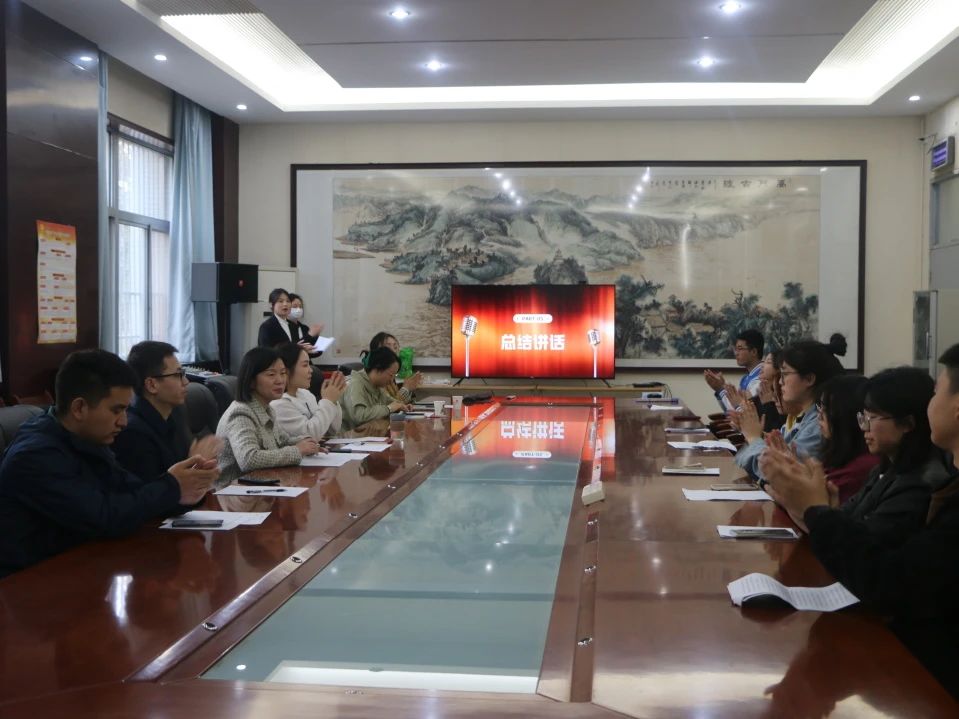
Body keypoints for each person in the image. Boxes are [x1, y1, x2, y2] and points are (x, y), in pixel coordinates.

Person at [758, 345, 959, 699]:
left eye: (938, 392)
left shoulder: (926, 482)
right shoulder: (888, 470)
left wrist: (814, 509)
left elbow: (889, 580)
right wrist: (814, 508)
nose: (931, 405)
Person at [0, 350, 216, 578]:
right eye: (117, 410)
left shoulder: (87, 438)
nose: (124, 422)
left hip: (81, 569)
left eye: (126, 409)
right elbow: (104, 516)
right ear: (79, 408)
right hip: (26, 584)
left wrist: (186, 489)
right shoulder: (34, 456)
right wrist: (172, 486)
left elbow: (132, 492)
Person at [734, 335, 846, 482]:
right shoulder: (802, 418)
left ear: (809, 379)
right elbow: (742, 461)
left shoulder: (818, 426)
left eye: (785, 374)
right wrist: (755, 437)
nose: (780, 382)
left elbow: (779, 475)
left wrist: (753, 438)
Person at [113, 341, 222, 485]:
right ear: (152, 385)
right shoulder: (133, 433)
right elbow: (152, 493)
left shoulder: (173, 416)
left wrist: (203, 469)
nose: (186, 381)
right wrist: (195, 464)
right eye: (178, 375)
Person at [216, 347, 321, 484]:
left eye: (283, 373)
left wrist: (308, 444)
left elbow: (283, 441)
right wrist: (297, 451)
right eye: (271, 374)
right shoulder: (240, 413)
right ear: (251, 380)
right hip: (234, 492)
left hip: (261, 485)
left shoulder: (267, 408)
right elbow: (249, 459)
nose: (280, 380)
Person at [815, 374, 879, 503]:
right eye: (819, 407)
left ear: (847, 415)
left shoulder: (863, 467)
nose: (819, 416)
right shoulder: (840, 453)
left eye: (826, 409)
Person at [271, 342, 346, 440]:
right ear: (286, 370)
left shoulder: (306, 394)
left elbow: (332, 430)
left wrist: (333, 401)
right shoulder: (278, 403)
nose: (311, 370)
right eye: (305, 365)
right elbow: (310, 435)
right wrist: (328, 401)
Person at [341, 347, 412, 433]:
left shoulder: (377, 386)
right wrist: (389, 408)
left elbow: (390, 402)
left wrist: (401, 406)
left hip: (368, 435)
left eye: (394, 376)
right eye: (391, 375)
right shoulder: (354, 384)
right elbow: (359, 416)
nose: (392, 380)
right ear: (377, 369)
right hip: (347, 437)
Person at [703, 329, 764, 412]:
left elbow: (740, 410)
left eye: (740, 349)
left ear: (753, 352)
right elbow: (731, 409)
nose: (736, 353)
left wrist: (721, 389)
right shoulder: (745, 378)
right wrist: (720, 389)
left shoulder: (761, 378)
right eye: (736, 349)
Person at [359, 331, 423, 402]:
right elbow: (388, 404)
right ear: (377, 352)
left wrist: (410, 388)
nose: (393, 351)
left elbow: (394, 402)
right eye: (388, 347)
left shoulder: (390, 372)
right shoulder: (377, 374)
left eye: (395, 347)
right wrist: (406, 388)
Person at [257, 288, 323, 352]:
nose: (285, 304)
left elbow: (295, 347)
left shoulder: (291, 325)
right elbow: (266, 352)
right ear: (271, 305)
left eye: (288, 301)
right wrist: (297, 348)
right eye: (280, 301)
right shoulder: (267, 326)